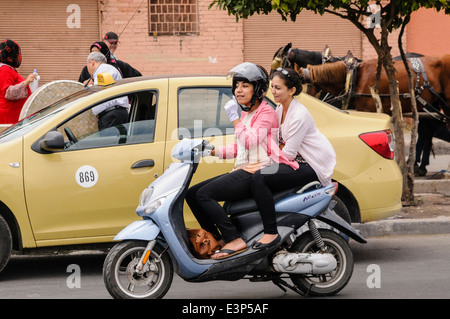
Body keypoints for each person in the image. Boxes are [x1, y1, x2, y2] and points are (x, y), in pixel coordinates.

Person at [186, 62, 291, 259]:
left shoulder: (266, 113)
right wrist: (209, 151)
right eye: (237, 85)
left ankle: (234, 238)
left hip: (256, 170)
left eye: (245, 85)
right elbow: (238, 148)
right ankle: (216, 238)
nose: (238, 90)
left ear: (257, 89)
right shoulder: (247, 113)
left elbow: (250, 142)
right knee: (192, 194)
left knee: (204, 195)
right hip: (242, 168)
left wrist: (234, 119)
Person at [249, 67, 336, 249]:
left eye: (278, 88)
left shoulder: (299, 115)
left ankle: (270, 232)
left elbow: (286, 154)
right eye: (272, 87)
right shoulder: (280, 109)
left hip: (310, 163)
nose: (273, 91)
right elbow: (274, 144)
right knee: (257, 173)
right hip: (295, 161)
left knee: (260, 177)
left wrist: (266, 161)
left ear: (292, 90)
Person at [86, 52, 129, 130]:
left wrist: (89, 87)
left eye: (87, 66)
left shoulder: (103, 70)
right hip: (112, 115)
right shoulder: (104, 70)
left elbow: (102, 93)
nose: (88, 71)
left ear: (92, 62)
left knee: (110, 141)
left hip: (112, 116)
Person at [0, 39, 38, 124]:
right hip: (9, 118)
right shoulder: (5, 70)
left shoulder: (8, 69)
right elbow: (8, 92)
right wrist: (26, 82)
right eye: (17, 53)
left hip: (13, 117)